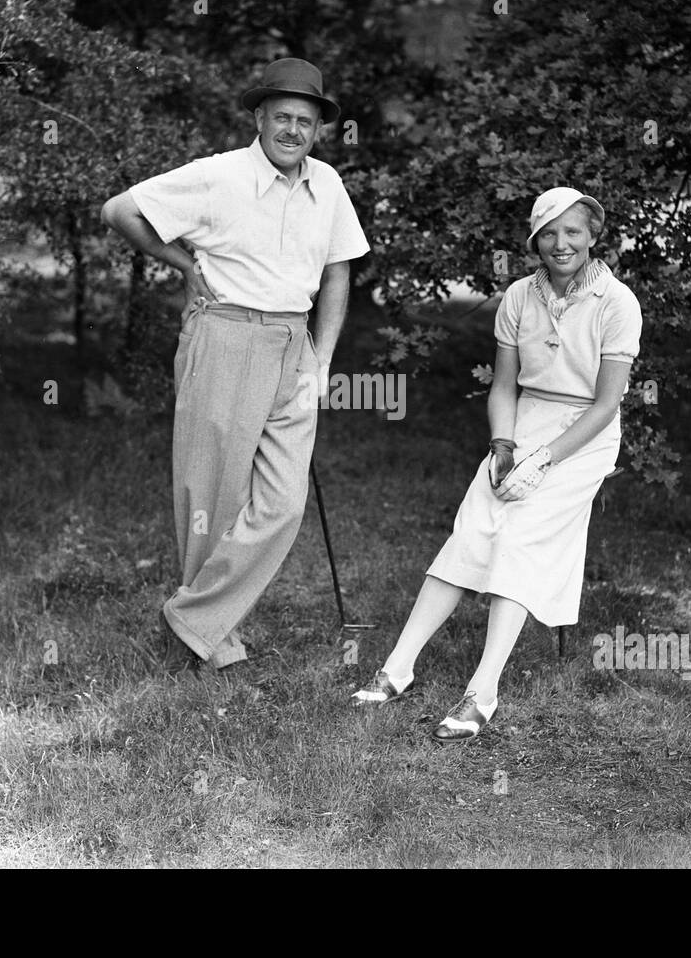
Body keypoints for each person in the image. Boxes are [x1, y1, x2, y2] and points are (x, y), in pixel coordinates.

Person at [100, 58, 370, 672]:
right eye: (282, 118)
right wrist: (184, 265)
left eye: (305, 120)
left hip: (293, 346)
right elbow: (120, 211)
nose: (293, 131)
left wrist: (322, 358)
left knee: (282, 504)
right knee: (213, 495)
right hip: (225, 336)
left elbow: (337, 270)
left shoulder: (327, 184)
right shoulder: (218, 176)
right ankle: (211, 644)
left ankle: (191, 618)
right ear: (259, 118)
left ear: (318, 128)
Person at [352, 186, 642, 740]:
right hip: (524, 423)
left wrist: (545, 461)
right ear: (534, 240)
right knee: (472, 529)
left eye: (573, 232)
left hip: (583, 437)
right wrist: (504, 446)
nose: (561, 244)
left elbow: (607, 404)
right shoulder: (518, 296)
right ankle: (398, 667)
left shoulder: (616, 303)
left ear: (593, 236)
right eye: (549, 234)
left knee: (519, 540)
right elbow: (504, 386)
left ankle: (482, 691)